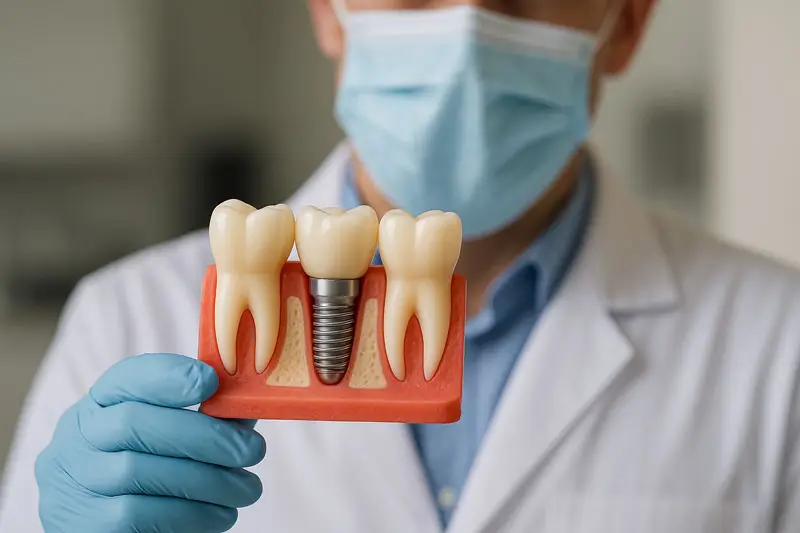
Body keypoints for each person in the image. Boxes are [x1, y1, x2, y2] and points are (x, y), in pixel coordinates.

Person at [2, 0, 800, 531]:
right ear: (329, 11)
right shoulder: (124, 317)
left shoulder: (776, 345)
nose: (462, 34)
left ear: (625, 23)